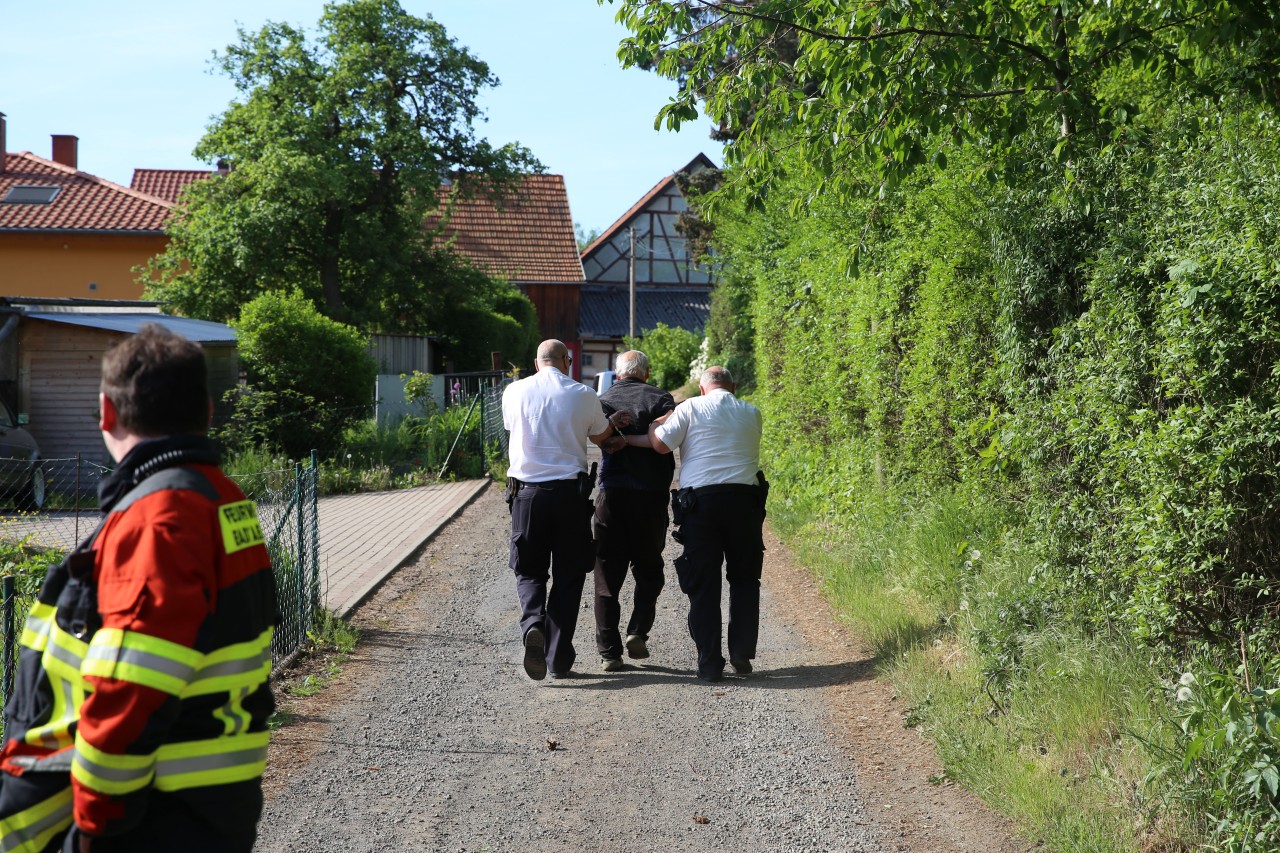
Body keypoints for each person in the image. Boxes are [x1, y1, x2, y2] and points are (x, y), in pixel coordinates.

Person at [0, 324, 277, 852]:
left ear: (107, 413)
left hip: (148, 824)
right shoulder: (222, 499)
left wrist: (93, 832)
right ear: (208, 410)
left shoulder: (160, 520)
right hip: (205, 812)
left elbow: (129, 692)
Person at [503, 339, 629, 680]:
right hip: (570, 496)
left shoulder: (513, 392)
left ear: (536, 362)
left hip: (526, 494)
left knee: (529, 570)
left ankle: (533, 624)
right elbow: (604, 437)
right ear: (567, 360)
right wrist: (611, 424)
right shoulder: (583, 393)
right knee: (569, 576)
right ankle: (558, 658)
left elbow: (516, 429)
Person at [648, 366, 765, 683]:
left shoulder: (689, 408)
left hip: (701, 505)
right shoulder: (752, 413)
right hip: (745, 503)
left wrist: (657, 423)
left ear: (702, 389)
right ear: (734, 386)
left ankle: (710, 664)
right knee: (744, 579)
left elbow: (660, 444)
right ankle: (741, 651)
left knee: (705, 586)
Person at [591, 351, 676, 671]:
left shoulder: (604, 399)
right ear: (647, 371)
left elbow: (597, 438)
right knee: (650, 569)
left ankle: (609, 653)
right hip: (651, 499)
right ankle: (638, 630)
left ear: (616, 372)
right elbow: (668, 438)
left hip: (612, 497)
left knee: (606, 576)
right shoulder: (661, 398)